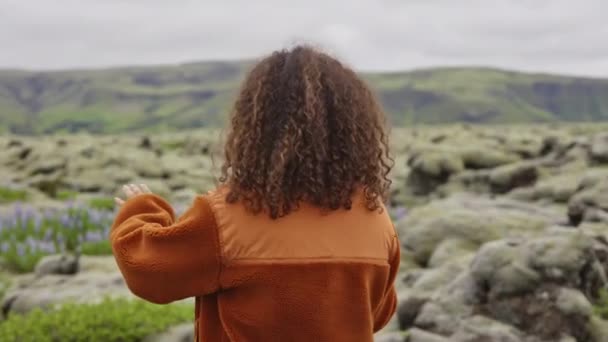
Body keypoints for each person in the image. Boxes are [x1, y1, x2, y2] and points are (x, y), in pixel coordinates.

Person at [111, 45, 400, 342]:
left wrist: (140, 210)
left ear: (255, 127)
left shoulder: (226, 217)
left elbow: (149, 273)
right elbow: (377, 313)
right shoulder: (374, 218)